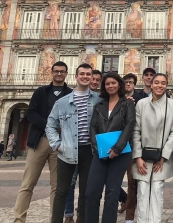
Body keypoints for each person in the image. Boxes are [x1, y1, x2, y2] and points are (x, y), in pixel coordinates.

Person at [13, 61, 73, 223]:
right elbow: (31, 113)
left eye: (62, 71)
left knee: (57, 186)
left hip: (60, 145)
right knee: (28, 183)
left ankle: (55, 219)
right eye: (56, 71)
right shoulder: (40, 92)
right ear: (51, 73)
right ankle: (19, 219)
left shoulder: (71, 94)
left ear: (66, 74)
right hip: (39, 141)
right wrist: (50, 126)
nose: (59, 74)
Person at [46, 63, 101, 223]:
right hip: (67, 150)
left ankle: (81, 220)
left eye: (88, 74)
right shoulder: (62, 102)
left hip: (89, 151)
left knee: (86, 191)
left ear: (91, 78)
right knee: (61, 190)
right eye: (82, 74)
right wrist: (57, 144)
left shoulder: (98, 100)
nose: (85, 76)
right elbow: (50, 124)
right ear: (76, 77)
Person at [86, 72, 136, 223]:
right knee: (91, 192)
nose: (110, 86)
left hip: (120, 154)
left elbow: (129, 126)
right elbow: (93, 126)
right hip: (100, 153)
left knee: (112, 193)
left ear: (119, 84)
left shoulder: (127, 104)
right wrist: (97, 148)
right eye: (107, 84)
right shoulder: (99, 105)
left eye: (113, 83)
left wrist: (116, 148)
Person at [132, 73, 173, 223]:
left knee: (157, 191)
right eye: (156, 82)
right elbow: (135, 130)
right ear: (151, 85)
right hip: (142, 157)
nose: (160, 85)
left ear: (166, 86)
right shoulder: (141, 104)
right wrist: (138, 157)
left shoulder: (172, 105)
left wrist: (164, 156)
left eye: (163, 83)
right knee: (142, 191)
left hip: (162, 157)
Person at [65, 70, 107, 223]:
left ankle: (81, 215)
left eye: (97, 80)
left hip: (91, 147)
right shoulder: (72, 97)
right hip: (72, 145)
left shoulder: (100, 99)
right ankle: (68, 213)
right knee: (70, 182)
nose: (94, 82)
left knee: (86, 184)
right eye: (92, 79)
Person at [119, 73, 147, 223]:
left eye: (130, 82)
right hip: (118, 145)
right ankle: (122, 200)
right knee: (111, 181)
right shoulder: (117, 99)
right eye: (126, 82)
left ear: (134, 84)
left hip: (133, 145)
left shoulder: (141, 100)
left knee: (132, 182)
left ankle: (130, 216)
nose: (128, 84)